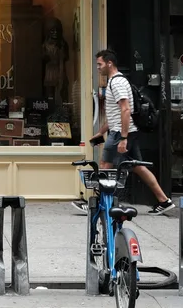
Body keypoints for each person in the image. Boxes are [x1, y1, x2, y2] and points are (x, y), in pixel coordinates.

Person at [74, 50, 174, 215]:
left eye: (99, 64)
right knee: (138, 167)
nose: (98, 68)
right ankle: (164, 200)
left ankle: (96, 204)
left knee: (106, 166)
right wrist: (101, 132)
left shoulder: (117, 83)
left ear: (109, 63)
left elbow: (126, 110)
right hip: (124, 131)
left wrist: (123, 138)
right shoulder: (116, 81)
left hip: (121, 133)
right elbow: (115, 113)